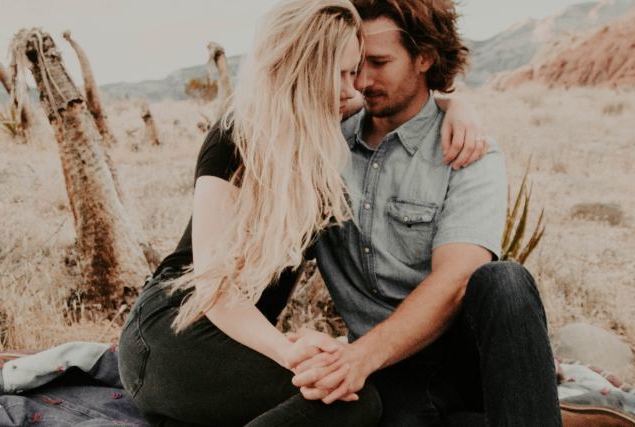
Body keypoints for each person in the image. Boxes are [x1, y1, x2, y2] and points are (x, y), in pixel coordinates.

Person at [116, 0, 488, 425]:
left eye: (358, 71)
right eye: (345, 73)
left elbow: (404, 103)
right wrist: (287, 350)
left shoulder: (325, 132)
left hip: (242, 343)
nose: (356, 88)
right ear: (307, 69)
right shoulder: (236, 138)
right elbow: (216, 294)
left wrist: (455, 106)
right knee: (354, 404)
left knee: (349, 398)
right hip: (175, 330)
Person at [290, 0, 564, 426]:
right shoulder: (323, 146)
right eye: (355, 64)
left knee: (505, 281)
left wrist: (358, 357)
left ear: (425, 57)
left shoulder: (468, 150)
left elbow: (456, 280)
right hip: (388, 374)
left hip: (459, 361)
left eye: (379, 62)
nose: (362, 80)